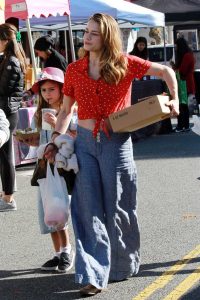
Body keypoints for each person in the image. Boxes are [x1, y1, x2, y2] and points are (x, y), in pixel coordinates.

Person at [45, 13, 179, 296]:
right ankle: (93, 273)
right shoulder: (74, 69)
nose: (87, 37)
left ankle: (122, 263)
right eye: (86, 32)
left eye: (94, 33)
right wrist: (56, 139)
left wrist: (175, 97)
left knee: (118, 206)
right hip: (83, 143)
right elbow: (66, 111)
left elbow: (166, 71)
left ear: (106, 37)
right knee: (87, 208)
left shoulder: (125, 62)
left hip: (116, 141)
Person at [22, 67, 75, 272]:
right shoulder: (40, 113)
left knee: (59, 208)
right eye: (43, 90)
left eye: (51, 89)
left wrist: (59, 126)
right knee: (47, 211)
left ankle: (67, 251)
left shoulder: (69, 111)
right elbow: (41, 139)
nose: (47, 94)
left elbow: (74, 138)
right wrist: (28, 139)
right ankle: (56, 252)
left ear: (62, 89)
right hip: (44, 168)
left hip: (61, 168)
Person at [0, 23, 27, 212]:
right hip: (6, 111)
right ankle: (6, 196)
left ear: (5, 40)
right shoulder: (8, 59)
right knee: (3, 156)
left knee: (5, 156)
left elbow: (3, 89)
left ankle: (8, 199)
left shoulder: (11, 62)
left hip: (6, 113)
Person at [171, 37, 196, 132]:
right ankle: (184, 125)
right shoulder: (187, 55)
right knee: (183, 106)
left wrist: (175, 68)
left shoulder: (187, 56)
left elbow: (182, 70)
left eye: (176, 46)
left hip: (185, 84)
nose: (175, 48)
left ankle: (183, 126)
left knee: (183, 106)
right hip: (185, 83)